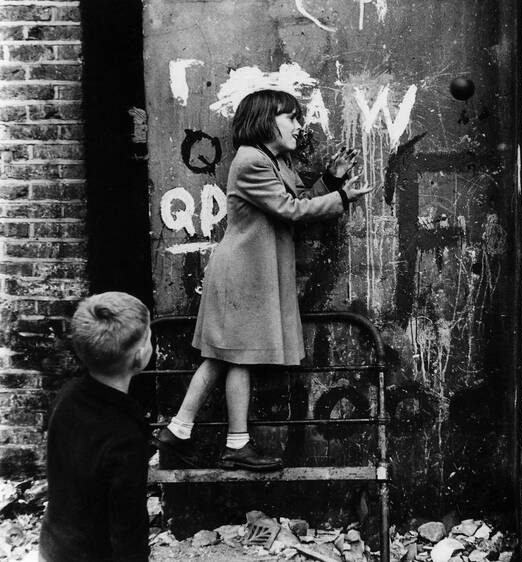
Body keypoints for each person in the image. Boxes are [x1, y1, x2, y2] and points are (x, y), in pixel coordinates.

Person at [154, 89, 373, 470]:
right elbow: (290, 210)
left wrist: (328, 180)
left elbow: (296, 197)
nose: (298, 125)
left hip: (253, 272)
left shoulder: (275, 159)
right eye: (290, 117)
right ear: (266, 120)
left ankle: (191, 432)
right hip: (242, 273)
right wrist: (342, 197)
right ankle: (192, 432)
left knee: (233, 356)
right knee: (227, 355)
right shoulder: (250, 160)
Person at [39, 292, 154, 562]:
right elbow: (129, 530)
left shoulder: (68, 395)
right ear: (139, 357)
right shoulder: (125, 436)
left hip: (55, 546)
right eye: (149, 337)